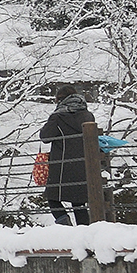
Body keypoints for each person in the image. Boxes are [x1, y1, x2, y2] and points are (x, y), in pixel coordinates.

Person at [40, 85, 95, 225]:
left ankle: (64, 223)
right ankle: (84, 232)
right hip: (83, 164)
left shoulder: (58, 116)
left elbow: (45, 136)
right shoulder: (87, 115)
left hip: (62, 166)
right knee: (79, 203)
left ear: (60, 100)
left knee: (52, 197)